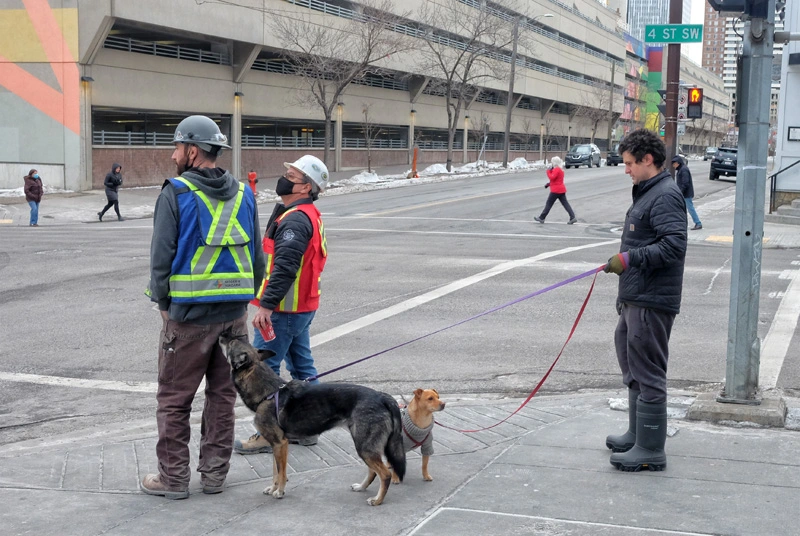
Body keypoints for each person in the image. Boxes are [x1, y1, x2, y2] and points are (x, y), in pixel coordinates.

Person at [142, 115, 265, 499]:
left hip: (189, 319)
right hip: (234, 320)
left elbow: (160, 260)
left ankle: (174, 479)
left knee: (175, 400)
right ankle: (214, 477)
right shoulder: (245, 193)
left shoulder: (176, 193)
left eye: (177, 147)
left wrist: (164, 305)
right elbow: (259, 261)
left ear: (192, 151)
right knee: (222, 398)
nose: (173, 153)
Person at [603, 129, 687, 472]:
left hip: (652, 301)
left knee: (649, 373)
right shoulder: (648, 192)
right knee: (632, 364)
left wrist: (629, 259)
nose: (626, 170)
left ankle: (651, 448)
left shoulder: (665, 195)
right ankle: (637, 435)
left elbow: (673, 247)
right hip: (637, 297)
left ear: (647, 160)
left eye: (629, 163)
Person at [234, 154, 329, 455]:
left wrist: (266, 306)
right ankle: (309, 427)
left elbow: (285, 267)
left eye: (292, 174)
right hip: (300, 307)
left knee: (265, 371)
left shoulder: (296, 220)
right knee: (303, 367)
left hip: (284, 311)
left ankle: (268, 433)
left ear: (305, 187)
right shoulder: (300, 213)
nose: (284, 176)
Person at [534, 156, 577, 225]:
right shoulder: (560, 169)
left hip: (556, 190)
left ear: (554, 163)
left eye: (552, 162)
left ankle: (542, 217)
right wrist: (548, 184)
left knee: (549, 204)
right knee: (565, 204)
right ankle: (572, 217)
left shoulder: (557, 169)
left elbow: (552, 177)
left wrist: (548, 171)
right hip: (561, 189)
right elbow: (556, 180)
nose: (551, 164)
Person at [672, 155, 702, 230]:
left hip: (686, 194)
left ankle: (698, 223)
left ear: (678, 163)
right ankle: (683, 223)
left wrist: (680, 192)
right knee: (682, 208)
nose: (673, 165)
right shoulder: (681, 169)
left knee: (690, 208)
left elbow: (685, 183)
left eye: (674, 163)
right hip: (684, 193)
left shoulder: (683, 170)